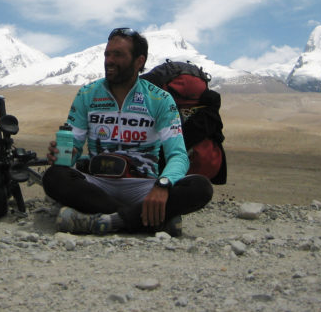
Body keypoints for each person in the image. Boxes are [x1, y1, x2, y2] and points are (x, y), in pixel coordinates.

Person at [42, 27, 213, 236]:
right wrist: (62, 156)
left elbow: (178, 155)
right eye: (107, 54)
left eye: (118, 55)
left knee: (200, 187)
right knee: (54, 177)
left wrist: (163, 185)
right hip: (97, 184)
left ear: (139, 61)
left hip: (144, 186)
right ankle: (147, 220)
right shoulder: (87, 94)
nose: (109, 60)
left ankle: (103, 221)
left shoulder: (159, 99)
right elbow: (73, 151)